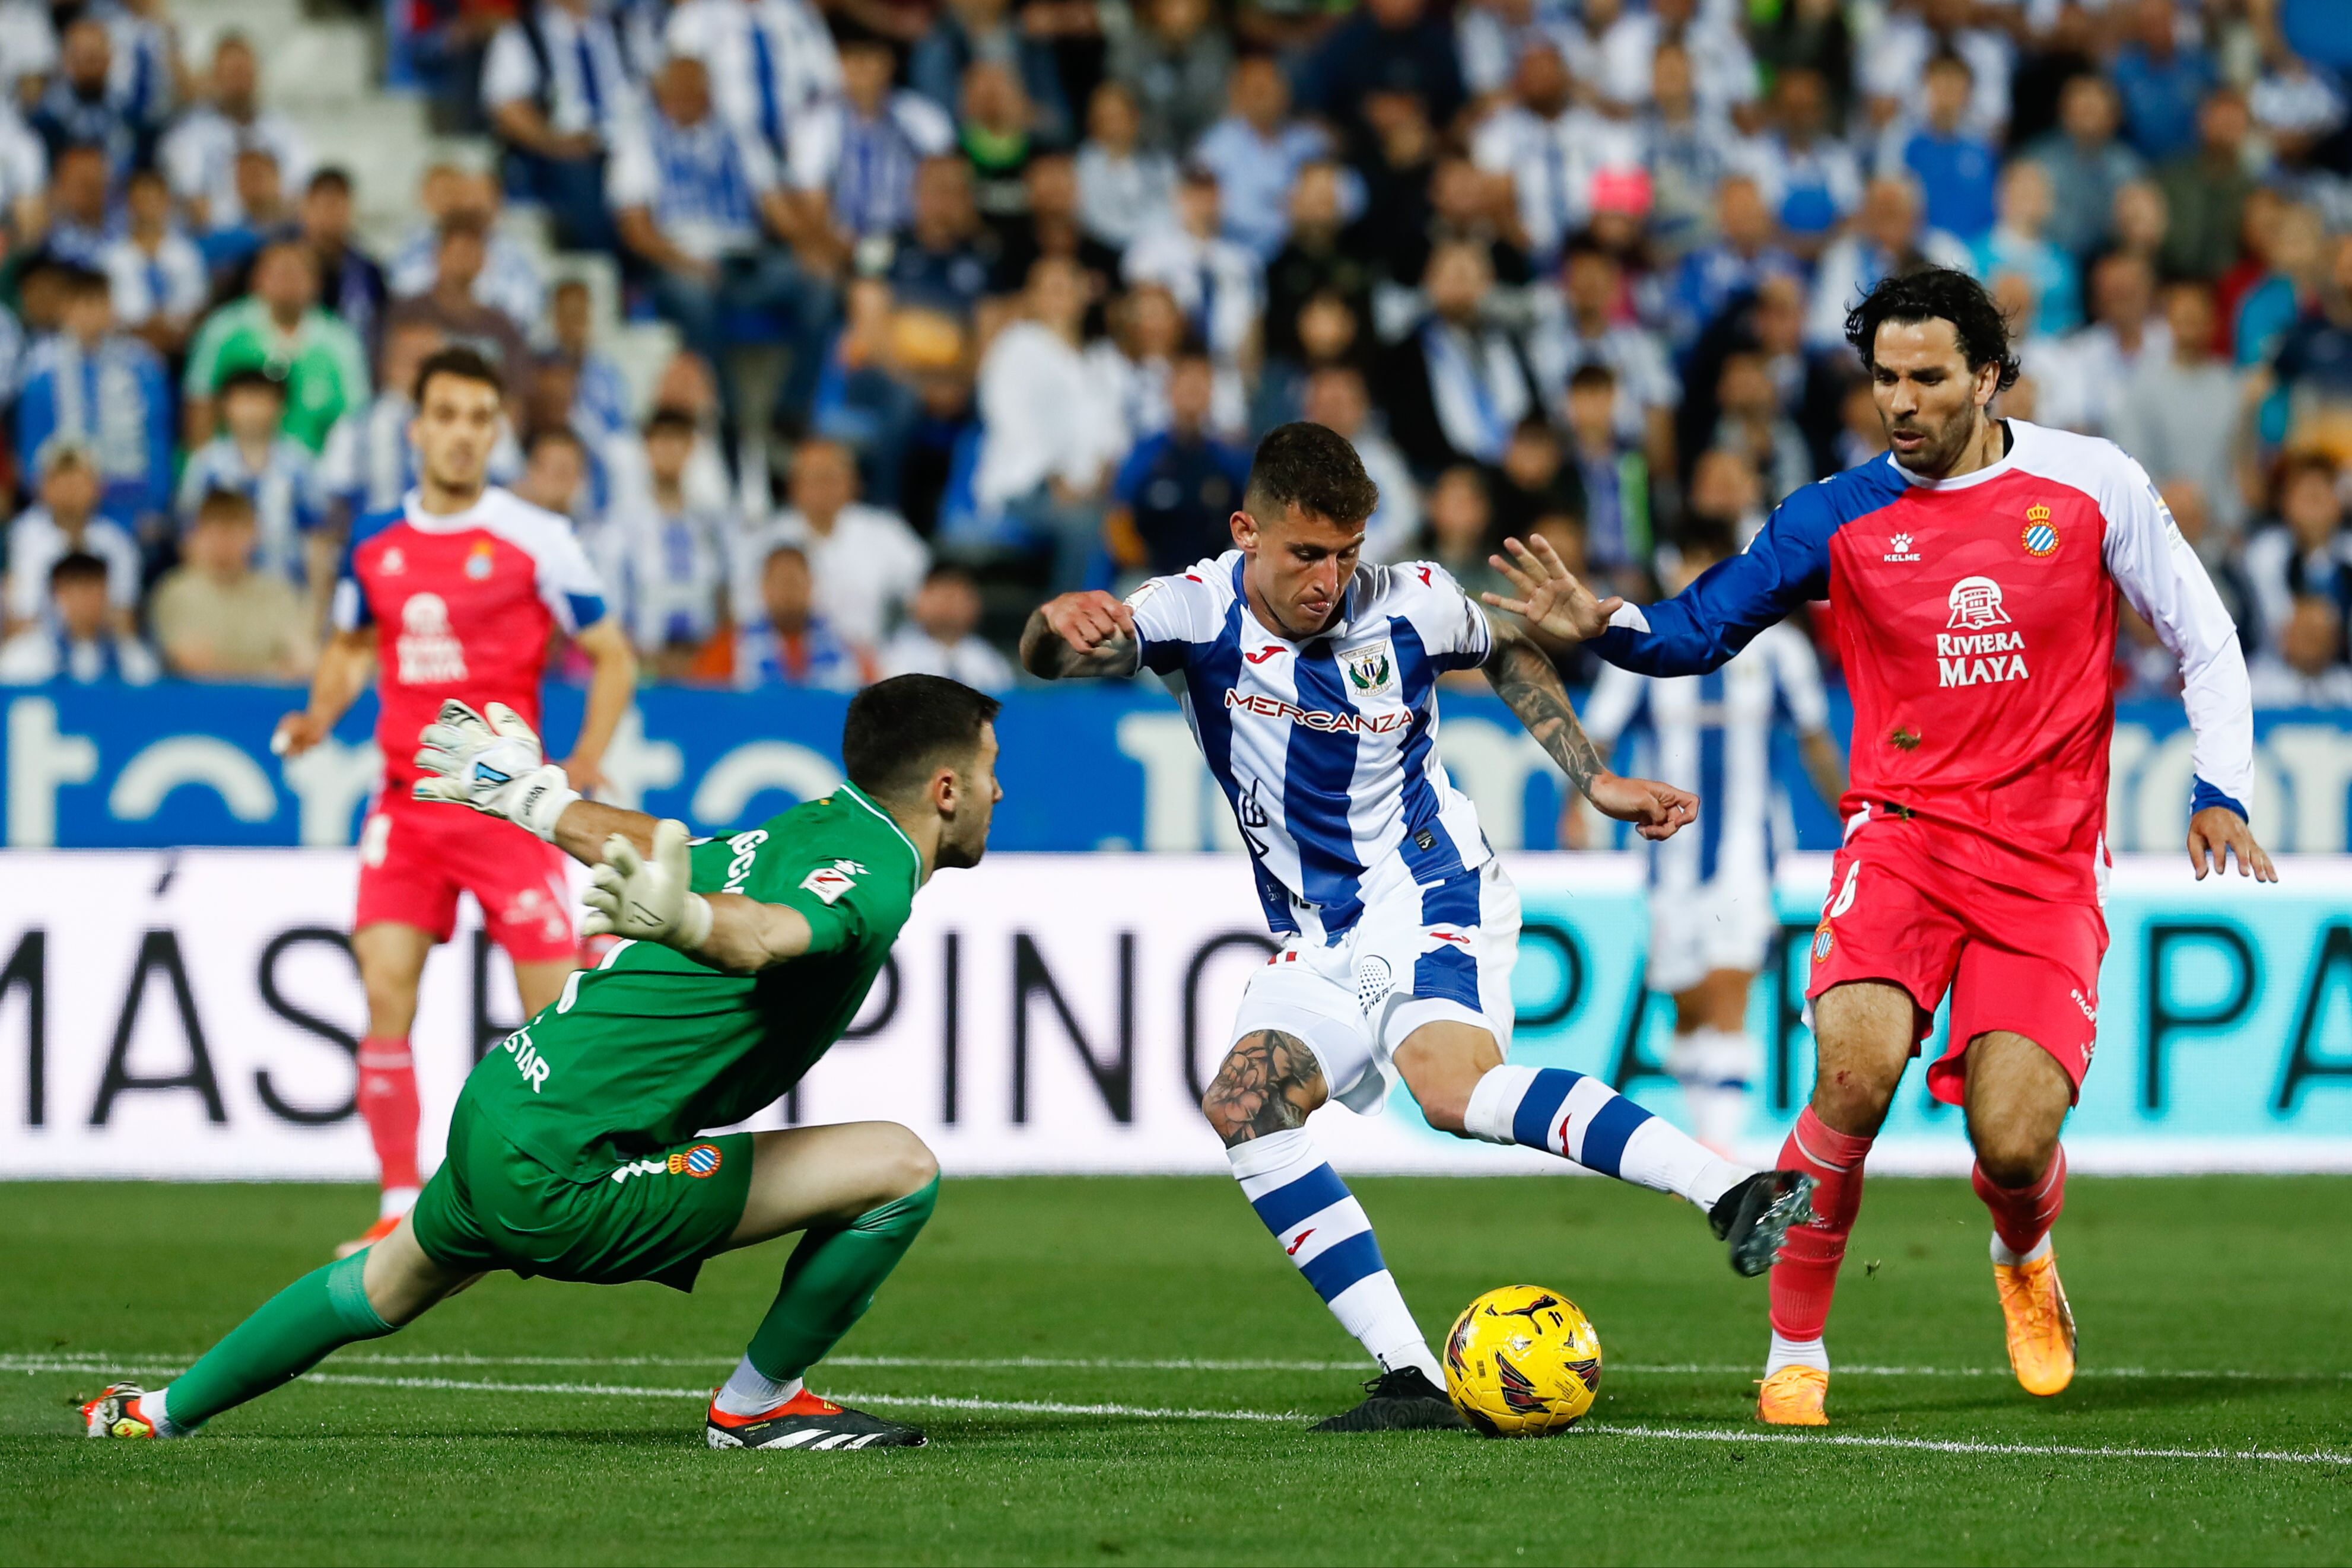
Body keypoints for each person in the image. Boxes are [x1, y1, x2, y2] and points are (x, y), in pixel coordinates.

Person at [1486, 266, 2272, 1426]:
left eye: (1925, 378)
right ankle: (1793, 1346)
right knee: (1848, 1075)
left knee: (2011, 1139)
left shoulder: (2089, 484)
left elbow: (2202, 638)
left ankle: (2024, 1250)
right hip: (1896, 841)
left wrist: (2220, 786)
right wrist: (1601, 623)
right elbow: (1699, 627)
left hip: (2043, 866)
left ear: (1987, 375)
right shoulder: (1834, 513)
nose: (1898, 402)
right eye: (1881, 379)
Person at [1018, 421, 1815, 1432]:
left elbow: (1508, 647)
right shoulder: (1190, 609)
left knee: (1449, 1090)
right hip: (1318, 926)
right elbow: (1059, 659)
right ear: (1245, 533)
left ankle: (1730, 1183)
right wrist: (1054, 620)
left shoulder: (1413, 600)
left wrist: (1595, 776)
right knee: (1243, 1103)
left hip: (1430, 882)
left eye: (1347, 551)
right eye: (1306, 553)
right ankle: (1411, 1374)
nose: (1330, 577)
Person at [83, 674, 1003, 1451]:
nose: (1001, 793)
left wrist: (537, 801)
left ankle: (155, 1412)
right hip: (564, 1172)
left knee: (386, 1279)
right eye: (993, 770)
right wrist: (689, 921)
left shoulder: (811, 823)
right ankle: (758, 1404)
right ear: (948, 789)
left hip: (502, 1106)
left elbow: (663, 846)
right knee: (898, 1166)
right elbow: (767, 934)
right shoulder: (876, 874)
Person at [271, 346, 638, 1258]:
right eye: (448, 414)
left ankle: (569, 1173)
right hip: (406, 807)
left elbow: (614, 652)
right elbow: (356, 645)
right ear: (417, 428)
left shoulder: (535, 537)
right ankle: (400, 1197)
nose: (464, 432)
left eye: (481, 417)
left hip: (508, 808)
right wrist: (322, 712)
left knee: (556, 1010)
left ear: (494, 431)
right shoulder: (376, 546)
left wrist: (586, 757)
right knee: (385, 989)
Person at [1578, 511, 1846, 1154]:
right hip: (1667, 855)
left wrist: (1851, 810)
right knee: (1688, 1001)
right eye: (1685, 560)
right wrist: (1578, 805)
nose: (1693, 573)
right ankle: (1709, 1130)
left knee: (1731, 983)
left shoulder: (1778, 649)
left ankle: (1720, 1149)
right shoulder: (1641, 645)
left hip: (1746, 853)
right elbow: (1599, 736)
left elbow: (1813, 738)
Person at [14, 262, 173, 528]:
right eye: (82, 304)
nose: (91, 314)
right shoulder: (39, 371)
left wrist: (154, 503)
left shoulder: (143, 366)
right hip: (61, 509)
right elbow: (32, 447)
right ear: (64, 309)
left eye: (99, 303)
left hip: (129, 504)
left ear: (112, 308)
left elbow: (156, 439)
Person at [183, 238, 371, 453]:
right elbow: (200, 405)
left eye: (298, 274)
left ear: (317, 283)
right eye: (279, 273)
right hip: (232, 474)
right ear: (257, 279)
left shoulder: (341, 341)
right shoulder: (222, 330)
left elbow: (355, 419)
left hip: (316, 472)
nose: (288, 283)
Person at [1103, 346, 1251, 578]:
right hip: (1150, 578)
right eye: (1185, 383)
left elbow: (1250, 523)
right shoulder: (1144, 456)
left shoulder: (1231, 461)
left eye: (1201, 383)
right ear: (1169, 390)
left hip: (1214, 581)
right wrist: (1157, 574)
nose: (1193, 390)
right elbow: (1119, 523)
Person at [175, 367, 326, 586]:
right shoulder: (206, 466)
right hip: (222, 592)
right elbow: (190, 536)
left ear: (280, 407)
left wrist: (316, 605)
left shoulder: (299, 466)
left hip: (285, 591)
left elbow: (317, 538)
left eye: (261, 400)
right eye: (244, 400)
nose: (252, 410)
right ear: (225, 407)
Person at [149, 488, 317, 680]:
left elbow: (305, 661)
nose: (225, 539)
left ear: (255, 532)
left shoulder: (279, 593)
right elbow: (193, 663)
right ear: (199, 532)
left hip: (266, 706)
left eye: (235, 528)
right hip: (199, 705)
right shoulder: (178, 591)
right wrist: (271, 672)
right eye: (217, 527)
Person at [4, 439, 142, 637]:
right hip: (42, 647)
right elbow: (19, 622)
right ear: (43, 487)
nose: (70, 487)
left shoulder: (117, 542)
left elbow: (124, 621)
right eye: (60, 478)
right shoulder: (24, 534)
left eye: (78, 477)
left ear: (97, 487)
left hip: (101, 646)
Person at [0, 551, 160, 685]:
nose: (88, 601)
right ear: (58, 595)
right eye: (79, 592)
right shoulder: (25, 655)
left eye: (96, 590)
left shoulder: (133, 658)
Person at [735, 541, 875, 690]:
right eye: (779, 582)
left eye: (794, 582)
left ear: (810, 585)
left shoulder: (850, 652)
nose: (786, 592)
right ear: (763, 587)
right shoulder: (731, 649)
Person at [882, 563, 1014, 690]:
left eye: (960, 595)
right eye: (943, 594)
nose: (950, 604)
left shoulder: (989, 661)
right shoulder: (891, 658)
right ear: (916, 601)